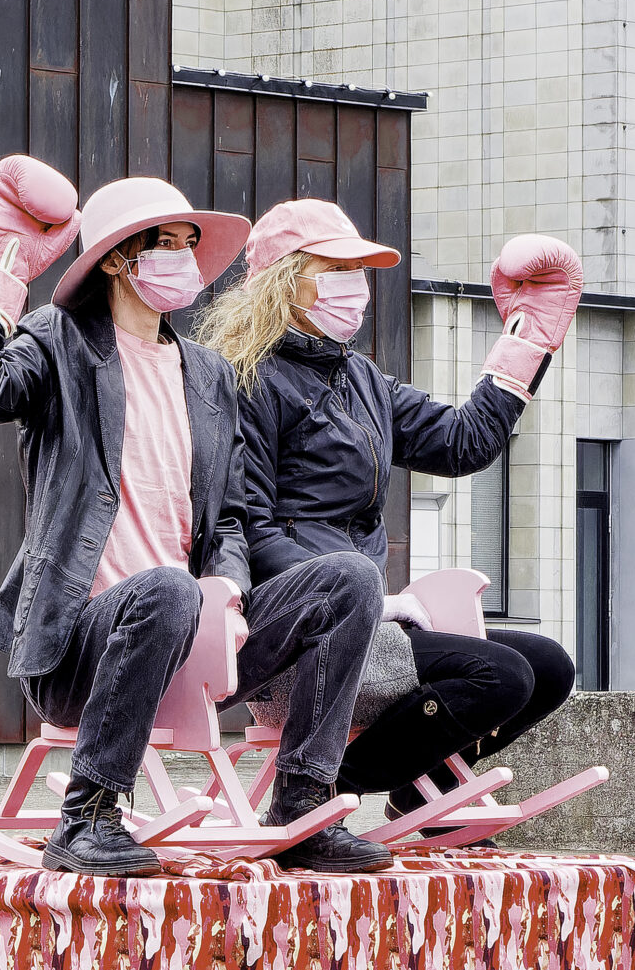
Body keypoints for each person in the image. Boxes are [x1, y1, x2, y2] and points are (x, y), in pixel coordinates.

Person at [0, 158, 391, 875]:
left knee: (351, 581)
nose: (184, 259)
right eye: (166, 244)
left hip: (193, 637)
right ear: (118, 259)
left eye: (188, 243)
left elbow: (231, 517)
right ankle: (86, 817)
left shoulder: (206, 374)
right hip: (80, 647)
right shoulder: (58, 339)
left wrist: (230, 589)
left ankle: (303, 804)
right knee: (166, 588)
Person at [195, 198, 583, 828]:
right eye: (337, 270)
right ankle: (318, 787)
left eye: (360, 271)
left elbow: (463, 442)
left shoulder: (363, 381)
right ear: (283, 281)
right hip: (296, 637)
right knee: (500, 677)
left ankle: (421, 795)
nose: (356, 287)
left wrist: (527, 337)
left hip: (370, 621)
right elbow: (249, 529)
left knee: (547, 667)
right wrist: (365, 598)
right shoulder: (246, 381)